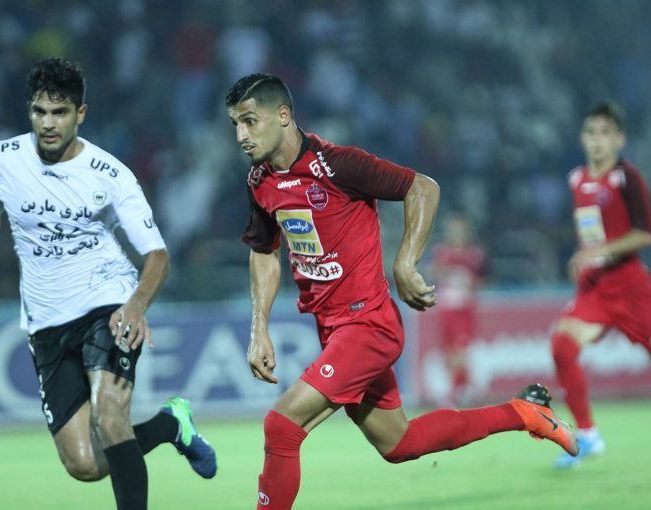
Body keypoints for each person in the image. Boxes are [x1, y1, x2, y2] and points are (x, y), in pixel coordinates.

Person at [227, 73, 578, 510]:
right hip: (333, 330)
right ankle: (524, 413)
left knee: (281, 426)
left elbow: (422, 187)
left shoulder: (337, 164)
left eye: (249, 121)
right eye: (235, 124)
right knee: (399, 443)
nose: (241, 135)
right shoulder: (259, 181)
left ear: (283, 116)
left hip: (368, 325)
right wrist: (259, 328)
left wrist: (405, 262)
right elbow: (264, 251)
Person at [0, 58, 216, 510]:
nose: (48, 123)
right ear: (29, 110)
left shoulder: (110, 174)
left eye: (60, 112)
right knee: (84, 464)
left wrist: (135, 306)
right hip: (46, 320)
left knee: (110, 418)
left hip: (108, 303)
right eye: (40, 111)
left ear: (80, 113)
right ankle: (170, 425)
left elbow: (157, 256)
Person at [550, 100, 651, 469]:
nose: (597, 140)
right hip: (596, 288)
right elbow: (591, 229)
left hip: (630, 287)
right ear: (582, 138)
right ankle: (588, 435)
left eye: (605, 133)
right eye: (591, 132)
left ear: (619, 140)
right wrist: (584, 255)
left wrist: (599, 251)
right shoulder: (577, 179)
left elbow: (646, 233)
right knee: (562, 345)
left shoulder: (627, 177)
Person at [430, 212, 486, 405]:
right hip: (446, 308)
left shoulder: (474, 254)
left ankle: (457, 392)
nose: (457, 233)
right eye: (453, 230)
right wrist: (444, 271)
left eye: (460, 230)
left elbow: (484, 279)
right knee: (450, 352)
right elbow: (432, 272)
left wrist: (469, 282)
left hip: (464, 308)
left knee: (461, 349)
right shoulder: (442, 252)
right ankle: (462, 387)